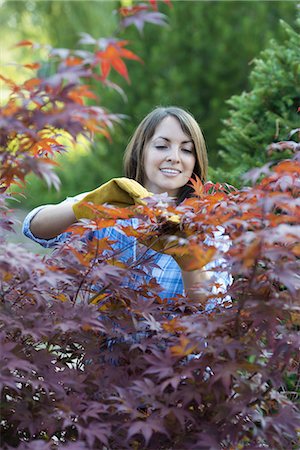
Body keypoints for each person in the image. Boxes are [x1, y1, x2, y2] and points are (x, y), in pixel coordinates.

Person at [23, 106, 231, 305]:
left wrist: (190, 262)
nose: (174, 158)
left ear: (196, 161)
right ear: (141, 151)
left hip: (176, 342)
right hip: (101, 341)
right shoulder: (110, 200)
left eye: (187, 150)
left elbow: (212, 308)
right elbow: (34, 228)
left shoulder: (208, 226)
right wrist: (87, 206)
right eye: (161, 146)